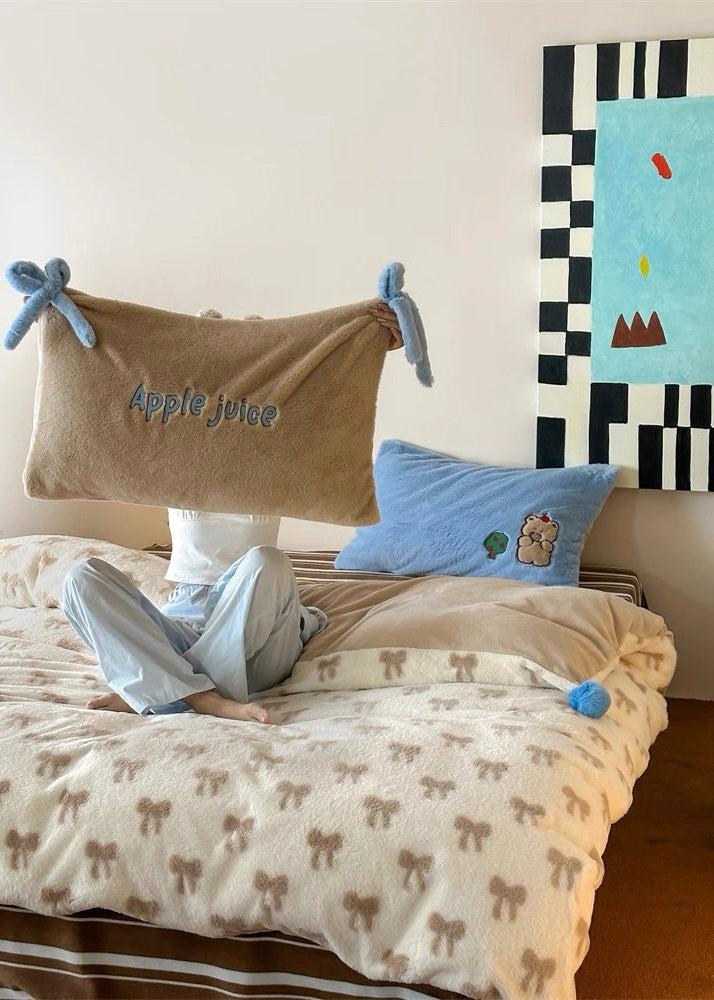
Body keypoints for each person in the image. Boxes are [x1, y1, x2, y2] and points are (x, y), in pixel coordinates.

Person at [63, 509, 327, 725]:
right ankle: (201, 698)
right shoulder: (177, 456)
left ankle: (162, 691)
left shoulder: (274, 455)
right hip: (186, 618)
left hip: (258, 634)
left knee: (268, 559)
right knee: (82, 577)